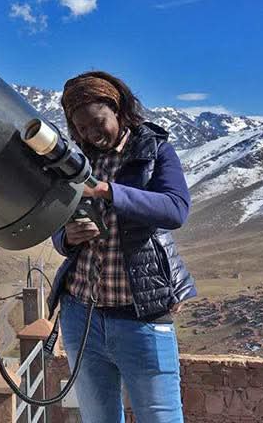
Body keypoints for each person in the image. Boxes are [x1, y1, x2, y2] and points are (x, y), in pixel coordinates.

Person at [46, 71, 197, 423]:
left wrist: (107, 191)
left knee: (160, 417)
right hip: (81, 314)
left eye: (97, 122)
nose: (91, 133)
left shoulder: (155, 151)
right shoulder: (76, 162)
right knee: (97, 417)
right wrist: (67, 237)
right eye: (81, 128)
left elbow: (176, 209)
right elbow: (55, 222)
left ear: (118, 109)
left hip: (141, 316)